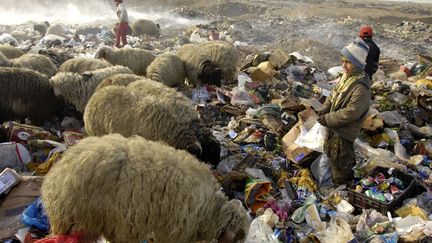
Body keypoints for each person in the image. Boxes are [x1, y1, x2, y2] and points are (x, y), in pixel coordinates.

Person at [317, 38, 371, 185]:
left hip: (344, 132)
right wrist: (324, 110)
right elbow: (334, 94)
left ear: (357, 65)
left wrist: (327, 118)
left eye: (348, 62)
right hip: (333, 127)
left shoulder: (361, 88)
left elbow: (351, 112)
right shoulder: (346, 78)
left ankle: (340, 190)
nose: (343, 66)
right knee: (328, 156)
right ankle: (325, 186)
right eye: (342, 61)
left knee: (340, 164)